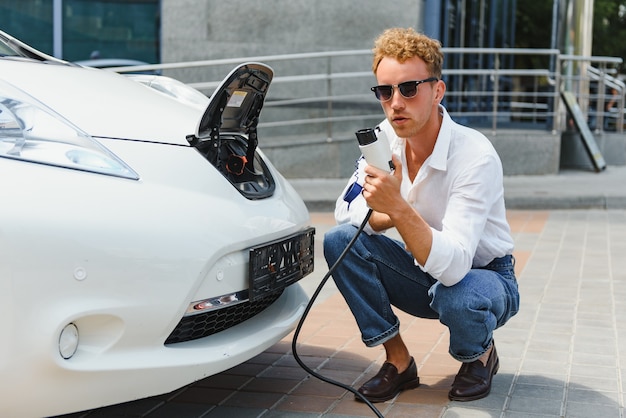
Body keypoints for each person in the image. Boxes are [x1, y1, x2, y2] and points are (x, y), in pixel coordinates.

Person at [323, 27, 520, 403]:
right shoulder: (384, 139)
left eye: (409, 88)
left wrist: (396, 205)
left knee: (459, 295)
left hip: (486, 278)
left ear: (437, 90)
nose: (396, 102)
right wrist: (389, 213)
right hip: (422, 271)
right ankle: (399, 362)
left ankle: (480, 355)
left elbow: (456, 267)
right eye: (385, 91)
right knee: (340, 242)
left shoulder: (474, 156)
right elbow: (346, 210)